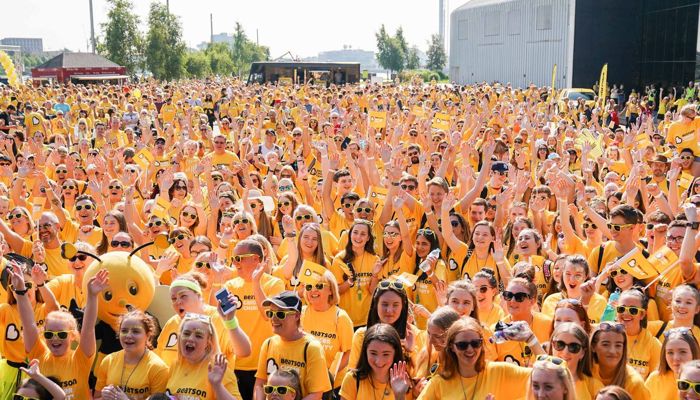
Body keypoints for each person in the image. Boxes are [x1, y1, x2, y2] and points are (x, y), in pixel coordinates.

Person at [417, 317, 543, 399]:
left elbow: (552, 374)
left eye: (475, 343)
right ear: (451, 347)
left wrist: (531, 340)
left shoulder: (500, 372)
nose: (470, 349)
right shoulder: (438, 383)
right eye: (462, 345)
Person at [254, 291, 332, 400]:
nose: (274, 318)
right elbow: (260, 384)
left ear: (296, 315)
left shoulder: (312, 348)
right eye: (270, 313)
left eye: (280, 314)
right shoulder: (268, 344)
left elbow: (316, 394)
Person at [94, 310, 170, 400]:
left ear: (148, 335)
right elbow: (96, 397)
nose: (128, 335)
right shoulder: (108, 361)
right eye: (124, 331)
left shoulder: (158, 368)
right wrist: (103, 397)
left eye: (136, 331)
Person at [164, 312, 241, 399]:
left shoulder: (219, 369)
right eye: (186, 333)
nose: (191, 338)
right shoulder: (175, 365)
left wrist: (217, 385)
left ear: (208, 342)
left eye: (198, 336)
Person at [300, 271, 353, 391]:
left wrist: (328, 375)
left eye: (319, 286)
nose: (313, 290)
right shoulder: (301, 314)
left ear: (330, 290)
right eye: (309, 286)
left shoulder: (341, 317)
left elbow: (348, 353)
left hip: (333, 385)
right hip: (306, 383)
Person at [339, 324, 412, 400]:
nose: (379, 361)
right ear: (365, 352)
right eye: (373, 353)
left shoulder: (404, 382)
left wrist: (399, 396)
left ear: (395, 354)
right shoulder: (352, 379)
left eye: (386, 354)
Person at [644, 328, 700, 399]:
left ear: (693, 352)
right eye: (670, 352)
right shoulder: (654, 379)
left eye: (683, 352)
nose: (676, 358)